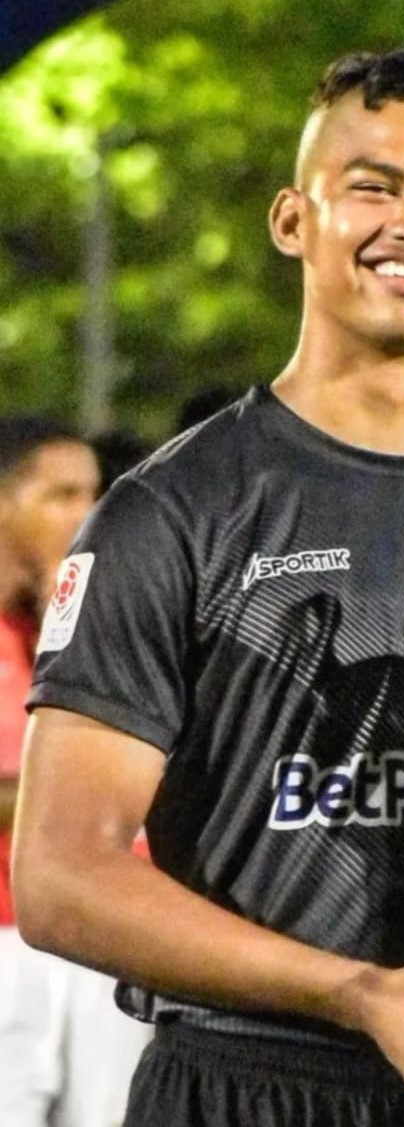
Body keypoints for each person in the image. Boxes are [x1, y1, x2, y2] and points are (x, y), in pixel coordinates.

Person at [12, 48, 404, 1127]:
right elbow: (58, 875)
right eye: (374, 186)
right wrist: (349, 989)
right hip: (246, 1084)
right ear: (294, 219)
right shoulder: (174, 510)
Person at [0, 414, 151, 1127]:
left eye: (93, 491)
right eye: (61, 494)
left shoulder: (85, 616)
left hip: (106, 930)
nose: (88, 513)